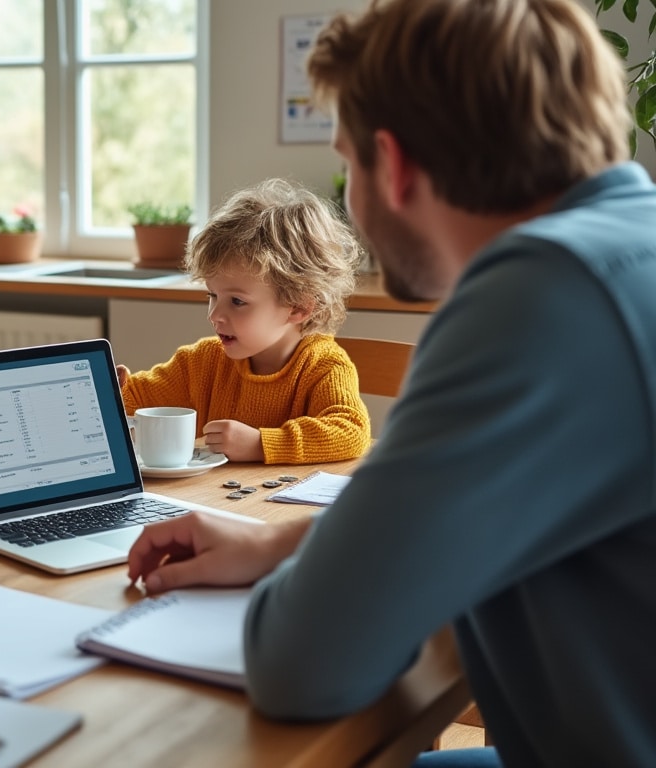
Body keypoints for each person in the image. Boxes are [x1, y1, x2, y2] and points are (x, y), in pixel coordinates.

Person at [126, 1, 656, 766]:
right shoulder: (628, 249)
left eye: (346, 162)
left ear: (394, 162)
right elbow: (462, 523)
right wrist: (280, 543)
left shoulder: (539, 298)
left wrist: (303, 577)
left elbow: (301, 665)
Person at [118, 178, 370, 464]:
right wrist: (110, 393)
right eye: (212, 295)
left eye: (237, 301)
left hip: (272, 508)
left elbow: (351, 431)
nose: (214, 315)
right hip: (214, 502)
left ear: (298, 307)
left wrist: (260, 444)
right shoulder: (202, 363)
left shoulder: (323, 366)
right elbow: (136, 400)